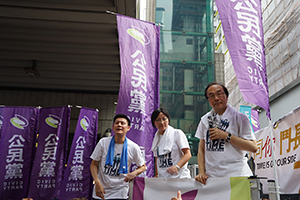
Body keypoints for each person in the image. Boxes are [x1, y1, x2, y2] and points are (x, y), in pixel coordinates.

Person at [194, 82, 258, 185]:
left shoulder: (240, 118)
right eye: (211, 96)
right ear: (208, 100)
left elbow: (253, 147)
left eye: (219, 94)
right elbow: (201, 149)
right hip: (213, 179)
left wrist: (226, 136)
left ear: (226, 97)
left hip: (237, 177)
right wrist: (201, 172)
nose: (216, 98)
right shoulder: (204, 120)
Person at [90, 114, 146, 200]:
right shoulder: (103, 143)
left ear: (128, 128)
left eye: (122, 123)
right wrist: (97, 182)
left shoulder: (133, 147)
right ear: (113, 127)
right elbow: (93, 164)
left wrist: (133, 173)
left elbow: (143, 167)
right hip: (101, 191)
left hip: (120, 192)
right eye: (117, 123)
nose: (119, 125)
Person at [151, 108, 191, 178]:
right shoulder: (156, 139)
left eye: (164, 119)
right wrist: (157, 175)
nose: (162, 122)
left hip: (180, 178)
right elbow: (157, 158)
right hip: (164, 181)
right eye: (158, 120)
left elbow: (188, 154)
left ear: (168, 120)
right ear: (154, 123)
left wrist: (177, 167)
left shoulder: (177, 133)